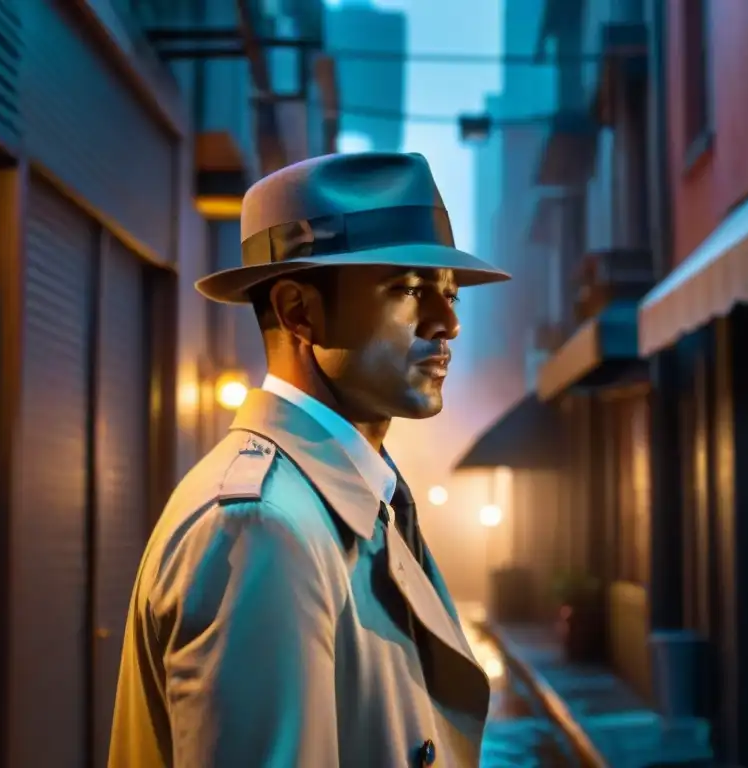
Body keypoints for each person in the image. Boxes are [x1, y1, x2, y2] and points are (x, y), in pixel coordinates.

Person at [107, 151, 511, 767]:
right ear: (299, 311)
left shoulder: (350, 500)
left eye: (450, 294)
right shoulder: (263, 528)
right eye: (407, 288)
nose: (447, 322)